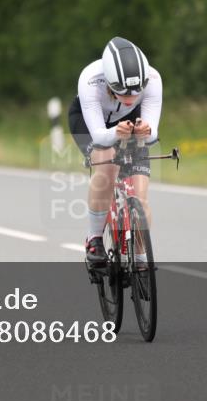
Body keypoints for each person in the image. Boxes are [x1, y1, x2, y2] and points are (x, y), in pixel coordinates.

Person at [67, 37, 162, 268]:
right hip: (91, 123)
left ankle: (140, 257)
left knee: (140, 194)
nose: (130, 99)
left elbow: (152, 134)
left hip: (128, 122)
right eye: (122, 92)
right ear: (109, 82)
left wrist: (144, 131)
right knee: (106, 166)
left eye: (135, 93)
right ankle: (94, 238)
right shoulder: (90, 79)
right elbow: (100, 136)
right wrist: (115, 134)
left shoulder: (153, 79)